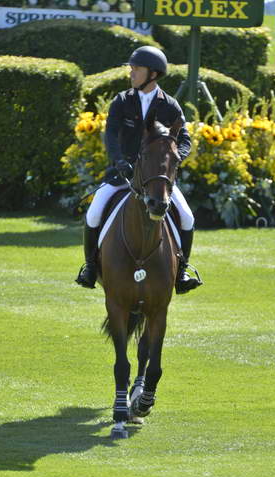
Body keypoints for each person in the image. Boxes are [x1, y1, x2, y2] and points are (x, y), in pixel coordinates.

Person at [76, 45, 199, 294]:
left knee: (187, 217)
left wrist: (174, 159)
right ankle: (90, 267)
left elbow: (184, 139)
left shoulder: (170, 106)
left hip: (157, 179)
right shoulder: (122, 101)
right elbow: (110, 134)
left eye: (136, 69)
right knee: (93, 213)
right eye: (131, 68)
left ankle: (182, 270)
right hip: (124, 175)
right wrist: (119, 161)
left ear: (152, 74)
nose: (131, 73)